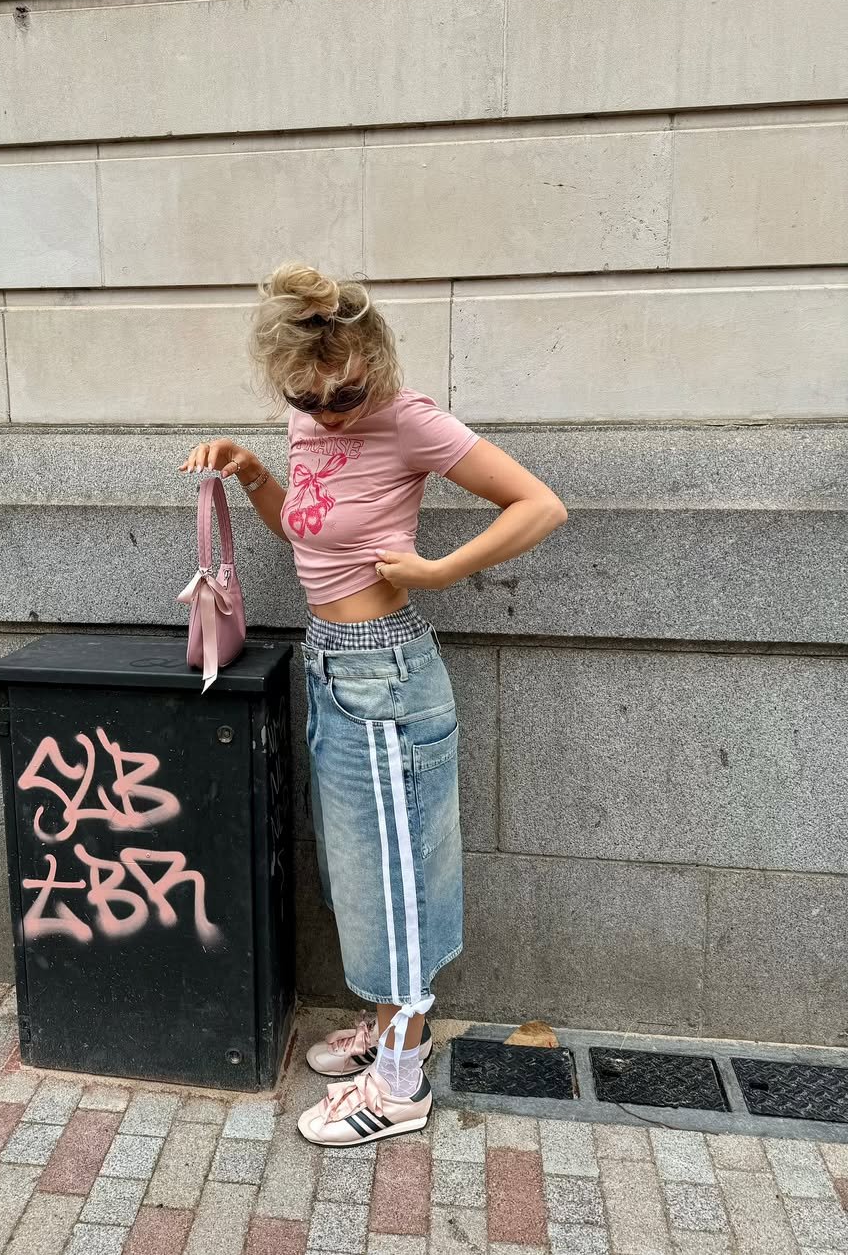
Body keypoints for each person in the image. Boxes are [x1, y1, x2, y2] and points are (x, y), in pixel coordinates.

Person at [178, 261, 567, 1147]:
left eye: (347, 391)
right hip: (331, 668)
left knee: (397, 880)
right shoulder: (305, 419)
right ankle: (391, 1030)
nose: (332, 412)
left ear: (374, 360)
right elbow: (310, 531)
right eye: (310, 400)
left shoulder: (408, 418)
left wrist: (440, 569)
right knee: (362, 872)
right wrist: (251, 473)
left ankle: (399, 1086)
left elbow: (539, 505)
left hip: (387, 674)